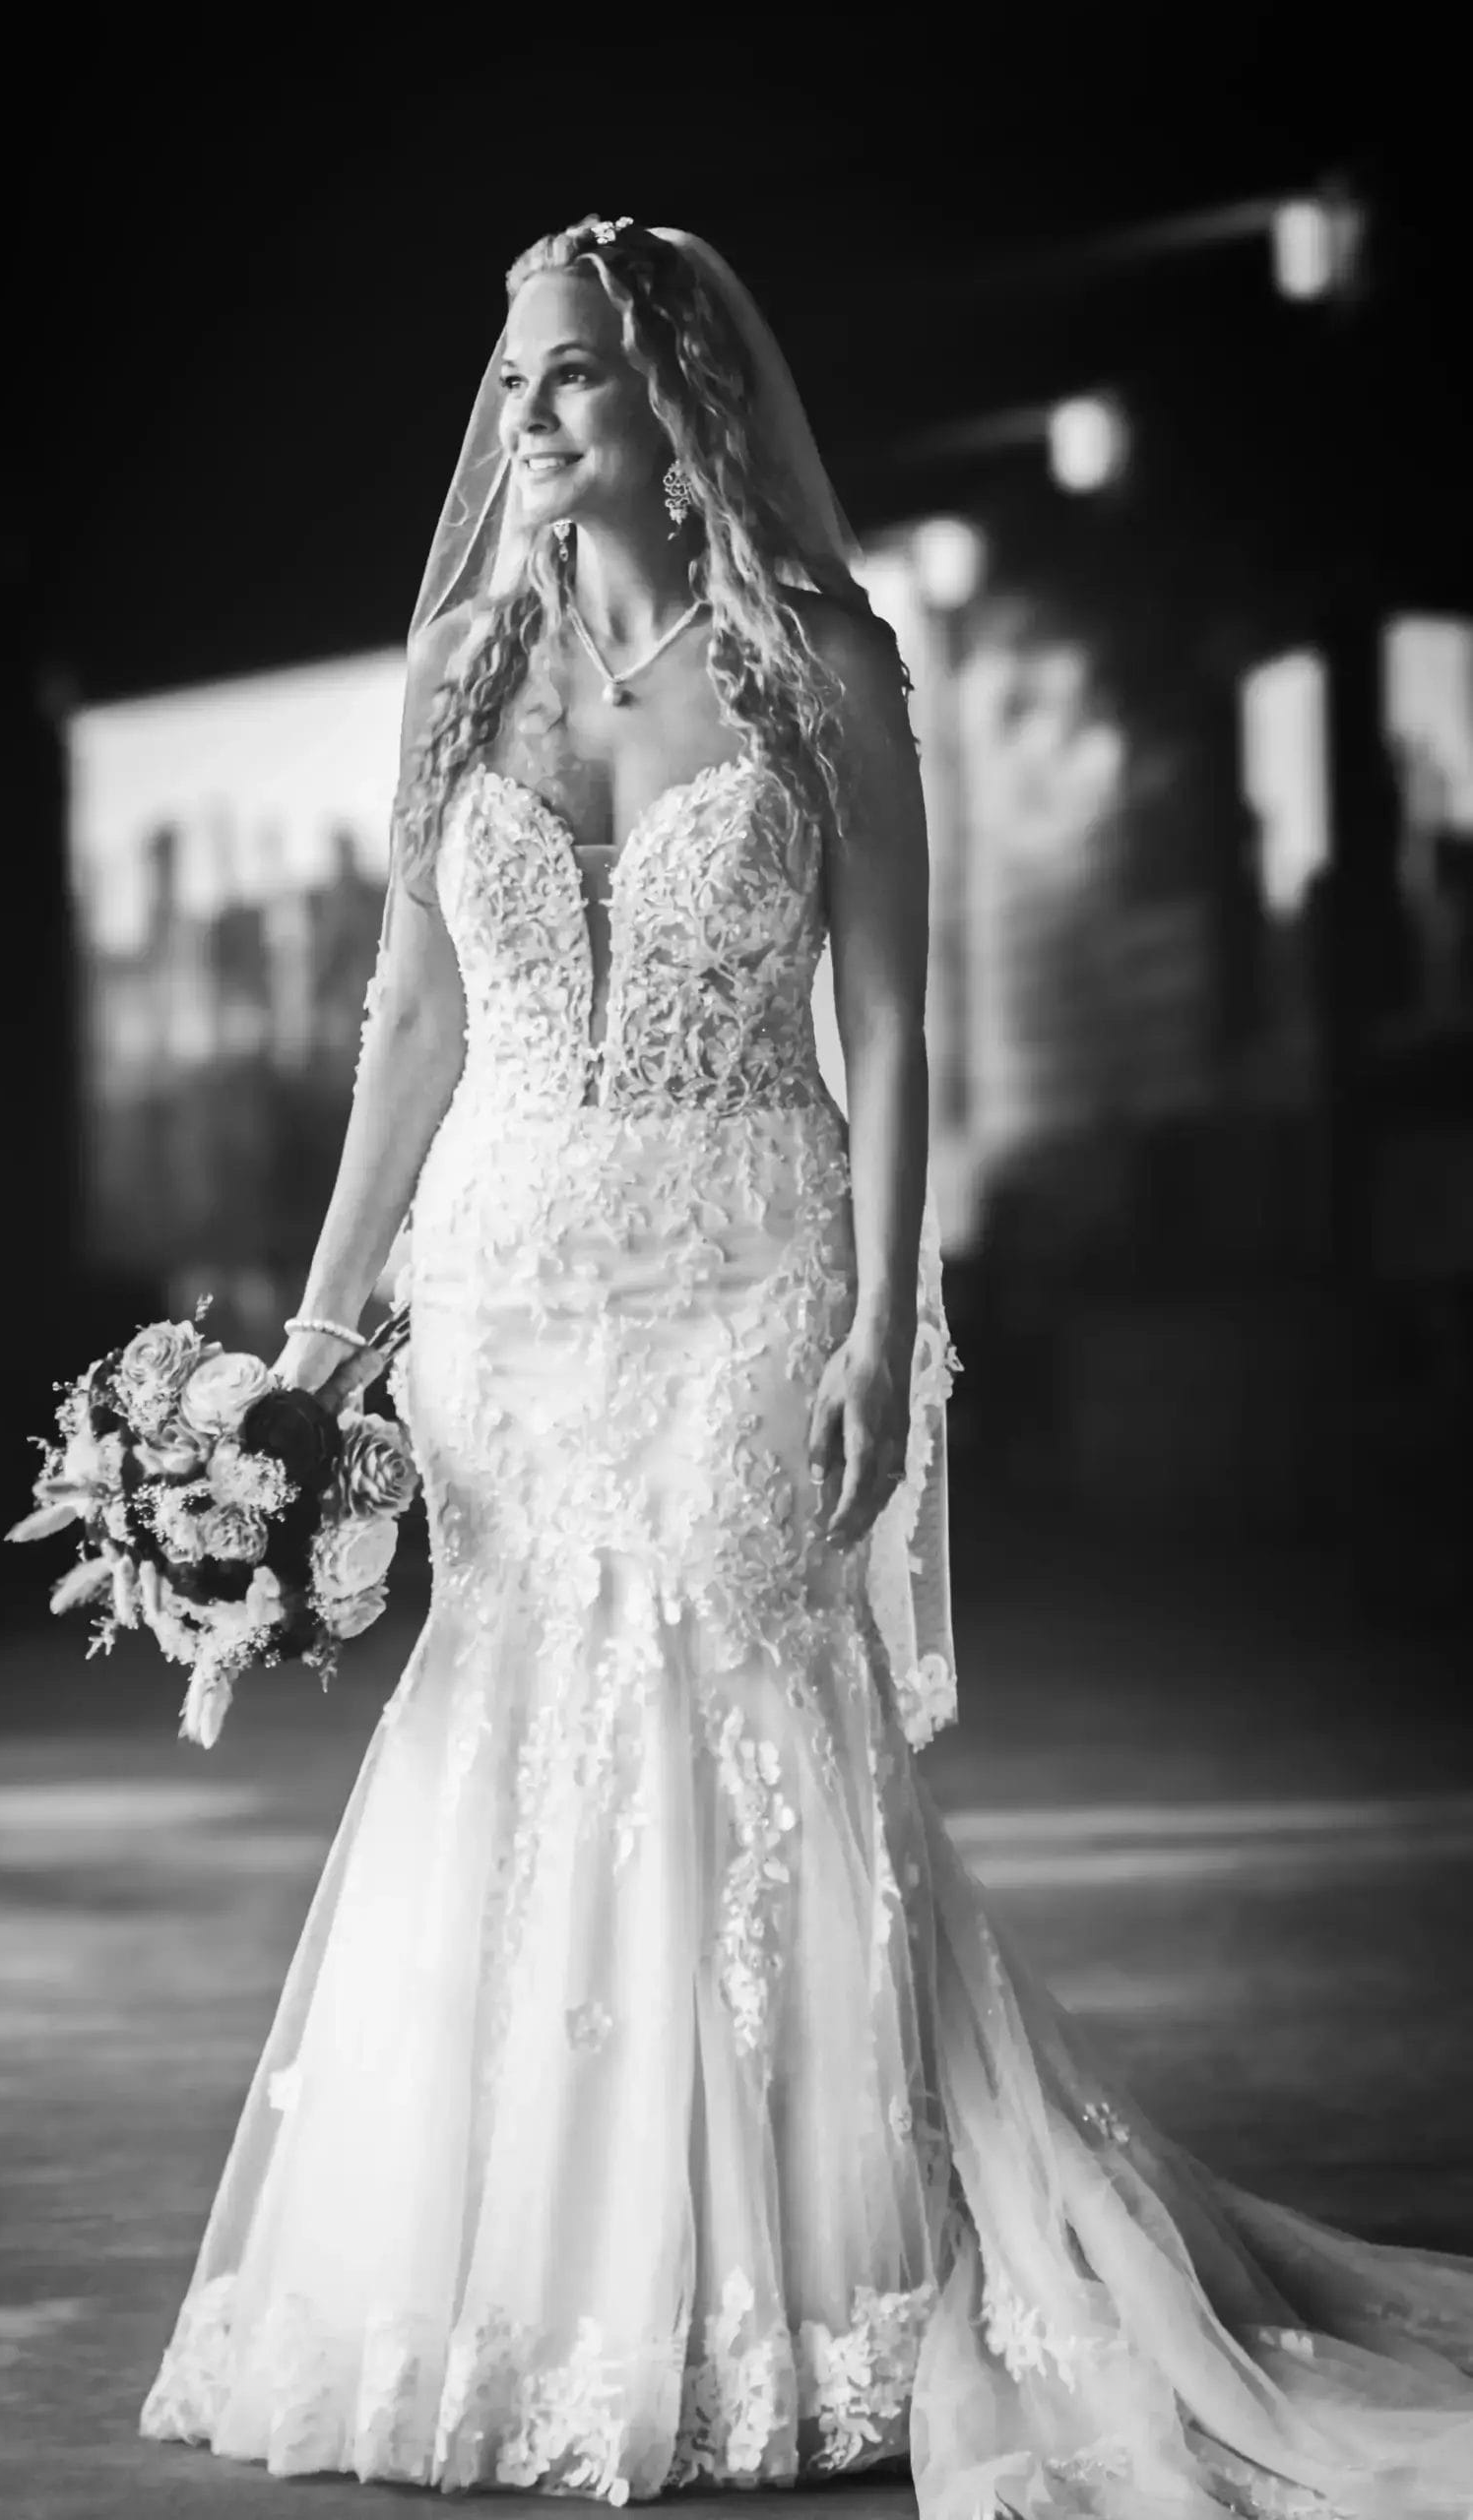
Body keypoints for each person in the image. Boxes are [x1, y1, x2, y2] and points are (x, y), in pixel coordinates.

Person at [139, 218, 1473, 2516]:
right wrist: (313, 1354)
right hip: (507, 1311)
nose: (522, 422)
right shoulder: (461, 668)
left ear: (680, 397)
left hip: (746, 1282)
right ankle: (529, 2294)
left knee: (740, 1737)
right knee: (519, 1735)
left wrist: (882, 1324)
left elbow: (888, 1021)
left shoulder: (819, 664)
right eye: (511, 384)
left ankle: (802, 2275)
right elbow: (410, 1028)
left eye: (566, 380)